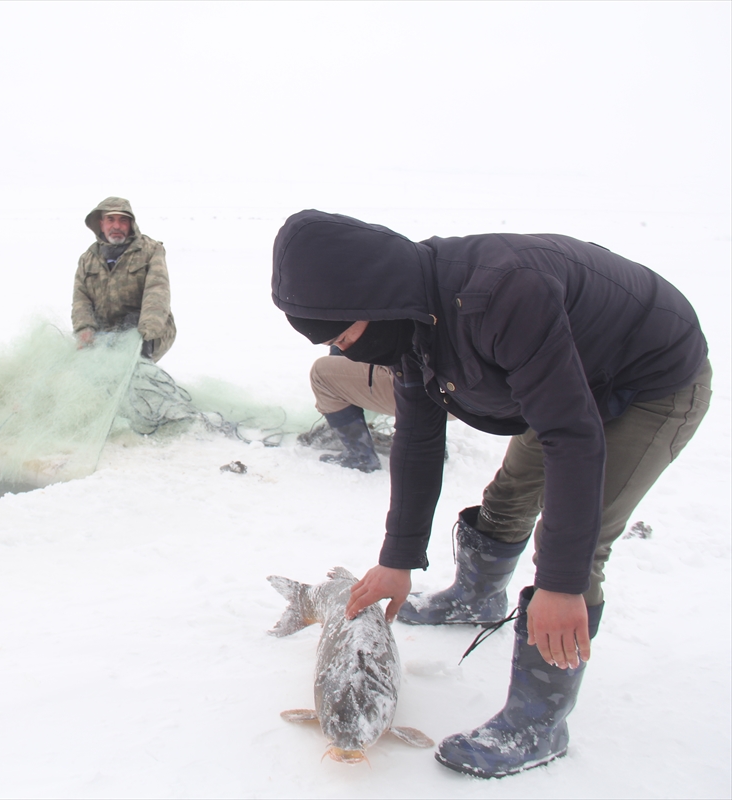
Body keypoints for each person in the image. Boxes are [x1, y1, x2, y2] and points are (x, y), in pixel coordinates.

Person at [273, 210, 711, 778]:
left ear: (373, 296)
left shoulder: (501, 294)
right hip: (561, 373)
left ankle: (538, 721)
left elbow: (573, 437)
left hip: (650, 379)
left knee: (582, 542)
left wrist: (558, 583)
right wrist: (397, 558)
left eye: (343, 334)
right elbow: (419, 437)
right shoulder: (411, 319)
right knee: (507, 498)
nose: (347, 351)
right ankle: (477, 597)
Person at [72, 197, 176, 362]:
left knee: (132, 325)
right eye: (110, 220)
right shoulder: (87, 259)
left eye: (123, 220)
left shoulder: (151, 250)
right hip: (105, 332)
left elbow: (157, 292)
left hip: (146, 330)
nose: (117, 226)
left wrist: (147, 333)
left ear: (131, 224)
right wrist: (84, 329)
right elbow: (81, 299)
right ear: (101, 224)